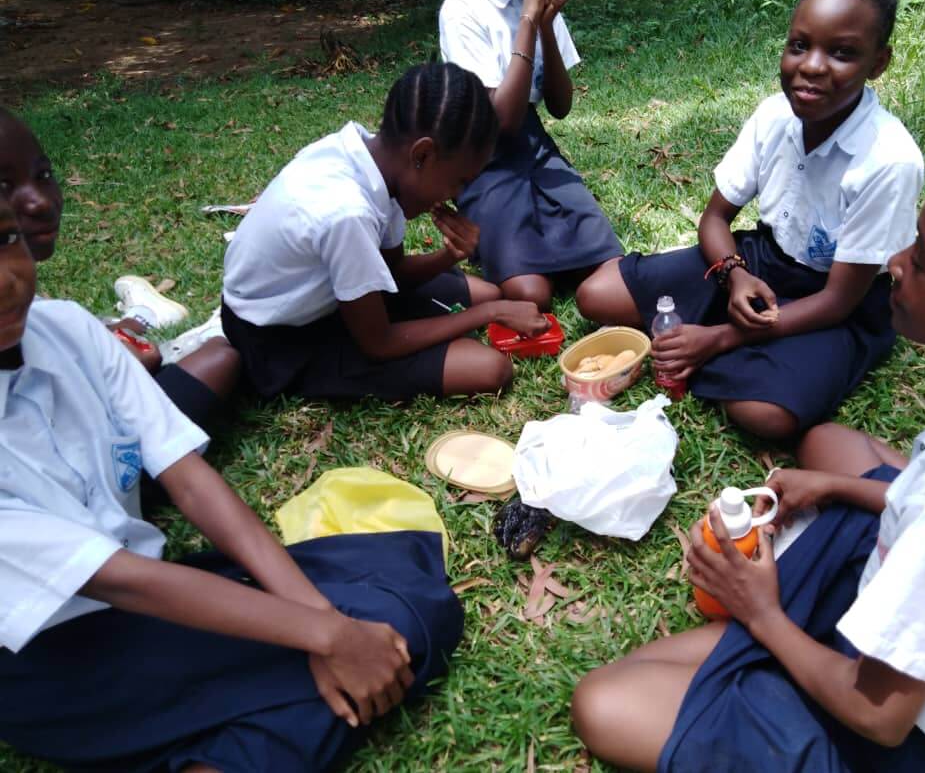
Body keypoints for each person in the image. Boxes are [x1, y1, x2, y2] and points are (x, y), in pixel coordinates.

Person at [570, 144, 925, 772]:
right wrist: (837, 488)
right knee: (832, 448)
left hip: (915, 732)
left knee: (605, 700)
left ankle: (786, 640)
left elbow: (881, 716)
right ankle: (794, 632)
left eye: (921, 262)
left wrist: (760, 611)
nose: (894, 265)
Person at [0, 194, 463, 771]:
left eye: (5, 242)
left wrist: (324, 625)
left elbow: (189, 481)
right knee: (380, 645)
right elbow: (122, 582)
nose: (7, 280)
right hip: (51, 660)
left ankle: (215, 745)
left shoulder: (68, 329)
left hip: (159, 597)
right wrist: (326, 636)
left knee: (408, 586)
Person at [577, 0, 924, 440]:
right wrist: (735, 274)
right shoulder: (775, 115)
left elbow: (839, 300)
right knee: (596, 296)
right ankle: (724, 343)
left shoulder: (889, 160)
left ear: (878, 62)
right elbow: (715, 219)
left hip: (837, 302)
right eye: (799, 45)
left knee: (766, 416)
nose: (812, 66)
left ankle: (714, 345)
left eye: (842, 53)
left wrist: (719, 338)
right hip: (760, 263)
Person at [221, 62, 549, 402]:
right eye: (459, 180)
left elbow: (392, 273)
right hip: (280, 340)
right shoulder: (346, 212)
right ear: (422, 154)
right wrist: (487, 315)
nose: (456, 195)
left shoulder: (375, 161)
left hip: (335, 299)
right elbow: (380, 343)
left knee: (489, 293)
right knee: (489, 368)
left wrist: (449, 256)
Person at [0, 107, 240, 434]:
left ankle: (140, 317)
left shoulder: (54, 315)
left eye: (43, 175)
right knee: (220, 358)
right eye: (3, 186)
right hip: (74, 453)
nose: (40, 202)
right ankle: (158, 324)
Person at [439, 0, 624, 311]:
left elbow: (560, 105)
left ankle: (540, 251)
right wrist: (528, 18)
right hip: (483, 159)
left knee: (610, 272)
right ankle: (495, 255)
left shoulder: (535, 1)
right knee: (532, 295)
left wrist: (547, 25)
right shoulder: (462, 8)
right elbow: (502, 120)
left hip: (536, 150)